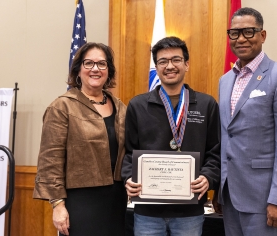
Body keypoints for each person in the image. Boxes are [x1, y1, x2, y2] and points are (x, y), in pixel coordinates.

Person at [216, 7, 277, 236]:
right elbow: (227, 137)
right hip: (230, 198)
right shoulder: (225, 81)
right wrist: (219, 190)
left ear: (262, 35)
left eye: (249, 32)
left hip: (266, 199)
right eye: (234, 33)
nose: (241, 39)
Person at [122, 36, 221, 236]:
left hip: (189, 212)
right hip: (147, 212)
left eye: (176, 60)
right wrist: (129, 178)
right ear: (156, 68)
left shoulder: (206, 104)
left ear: (187, 64)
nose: (170, 66)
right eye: (163, 61)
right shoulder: (138, 105)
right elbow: (128, 152)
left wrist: (208, 177)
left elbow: (216, 151)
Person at [33, 42, 127, 235]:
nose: (95, 69)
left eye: (102, 64)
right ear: (78, 69)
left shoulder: (121, 107)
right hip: (81, 202)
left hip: (117, 200)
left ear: (108, 70)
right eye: (88, 63)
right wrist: (58, 205)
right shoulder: (62, 107)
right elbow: (50, 161)